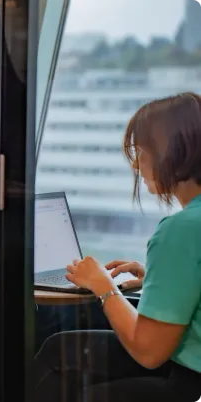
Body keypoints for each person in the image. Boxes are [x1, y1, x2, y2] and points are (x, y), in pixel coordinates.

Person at [35, 92, 201, 402]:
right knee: (60, 349)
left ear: (170, 152)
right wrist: (157, 279)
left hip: (189, 385)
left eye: (142, 151)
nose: (137, 165)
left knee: (63, 367)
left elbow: (148, 352)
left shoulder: (180, 230)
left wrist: (102, 286)